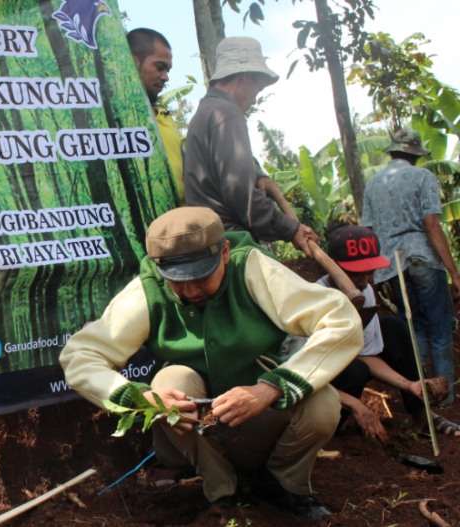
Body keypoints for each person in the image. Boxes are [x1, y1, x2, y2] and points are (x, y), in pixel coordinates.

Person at [60, 207, 363, 520]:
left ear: (225, 252)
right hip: (190, 438)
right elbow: (80, 355)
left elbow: (341, 320)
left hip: (261, 426)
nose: (191, 291)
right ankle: (221, 493)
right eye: (178, 281)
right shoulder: (148, 289)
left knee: (324, 402)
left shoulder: (252, 266)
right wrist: (142, 399)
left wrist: (270, 388)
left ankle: (281, 484)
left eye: (201, 276)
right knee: (172, 379)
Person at [286, 225, 460, 440]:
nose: (364, 281)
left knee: (393, 328)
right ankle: (321, 434)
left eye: (369, 272)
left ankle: (421, 415)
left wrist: (409, 385)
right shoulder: (313, 301)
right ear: (330, 267)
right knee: (356, 370)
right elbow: (300, 378)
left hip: (346, 370)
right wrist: (356, 405)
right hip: (311, 389)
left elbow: (366, 354)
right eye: (356, 273)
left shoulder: (365, 292)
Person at [184, 37, 318, 256]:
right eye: (258, 88)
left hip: (210, 241)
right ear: (245, 75)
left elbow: (218, 175)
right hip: (231, 243)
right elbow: (239, 191)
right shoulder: (226, 112)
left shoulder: (205, 111)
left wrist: (256, 179)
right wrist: (290, 228)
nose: (255, 99)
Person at [362, 129, 460, 406]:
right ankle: (444, 397)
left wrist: (373, 277)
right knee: (440, 329)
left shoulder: (373, 184)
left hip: (392, 267)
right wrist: (455, 273)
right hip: (423, 259)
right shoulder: (423, 177)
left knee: (413, 329)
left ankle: (421, 396)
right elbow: (431, 225)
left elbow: (369, 232)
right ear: (415, 154)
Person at [127, 28, 185, 204]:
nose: (166, 77)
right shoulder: (116, 117)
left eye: (168, 70)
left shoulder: (165, 117)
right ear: (133, 62)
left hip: (182, 221)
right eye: (159, 67)